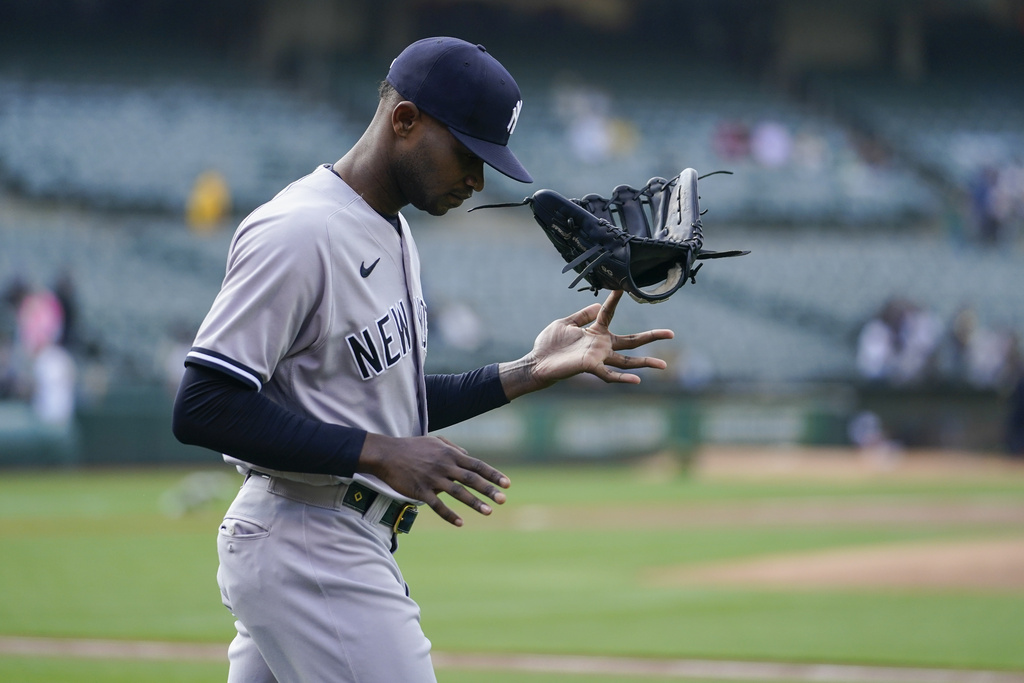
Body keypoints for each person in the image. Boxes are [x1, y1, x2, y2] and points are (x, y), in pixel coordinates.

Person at [171, 36, 673, 683]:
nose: (478, 179)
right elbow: (203, 404)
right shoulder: (299, 231)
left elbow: (381, 400)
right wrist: (381, 452)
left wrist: (528, 370)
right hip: (311, 543)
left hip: (323, 538)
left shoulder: (394, 229)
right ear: (404, 121)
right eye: (468, 153)